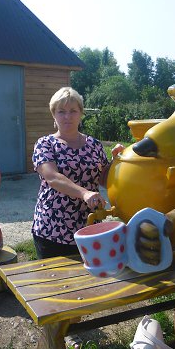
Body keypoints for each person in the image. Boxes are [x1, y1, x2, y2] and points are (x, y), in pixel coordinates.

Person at [31, 86, 123, 260]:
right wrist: (85, 193)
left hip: (89, 226)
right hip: (53, 229)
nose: (67, 116)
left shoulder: (94, 145)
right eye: (61, 111)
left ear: (81, 113)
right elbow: (52, 177)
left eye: (73, 111)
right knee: (54, 277)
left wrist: (116, 161)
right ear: (53, 114)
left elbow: (104, 178)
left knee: (90, 275)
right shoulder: (45, 144)